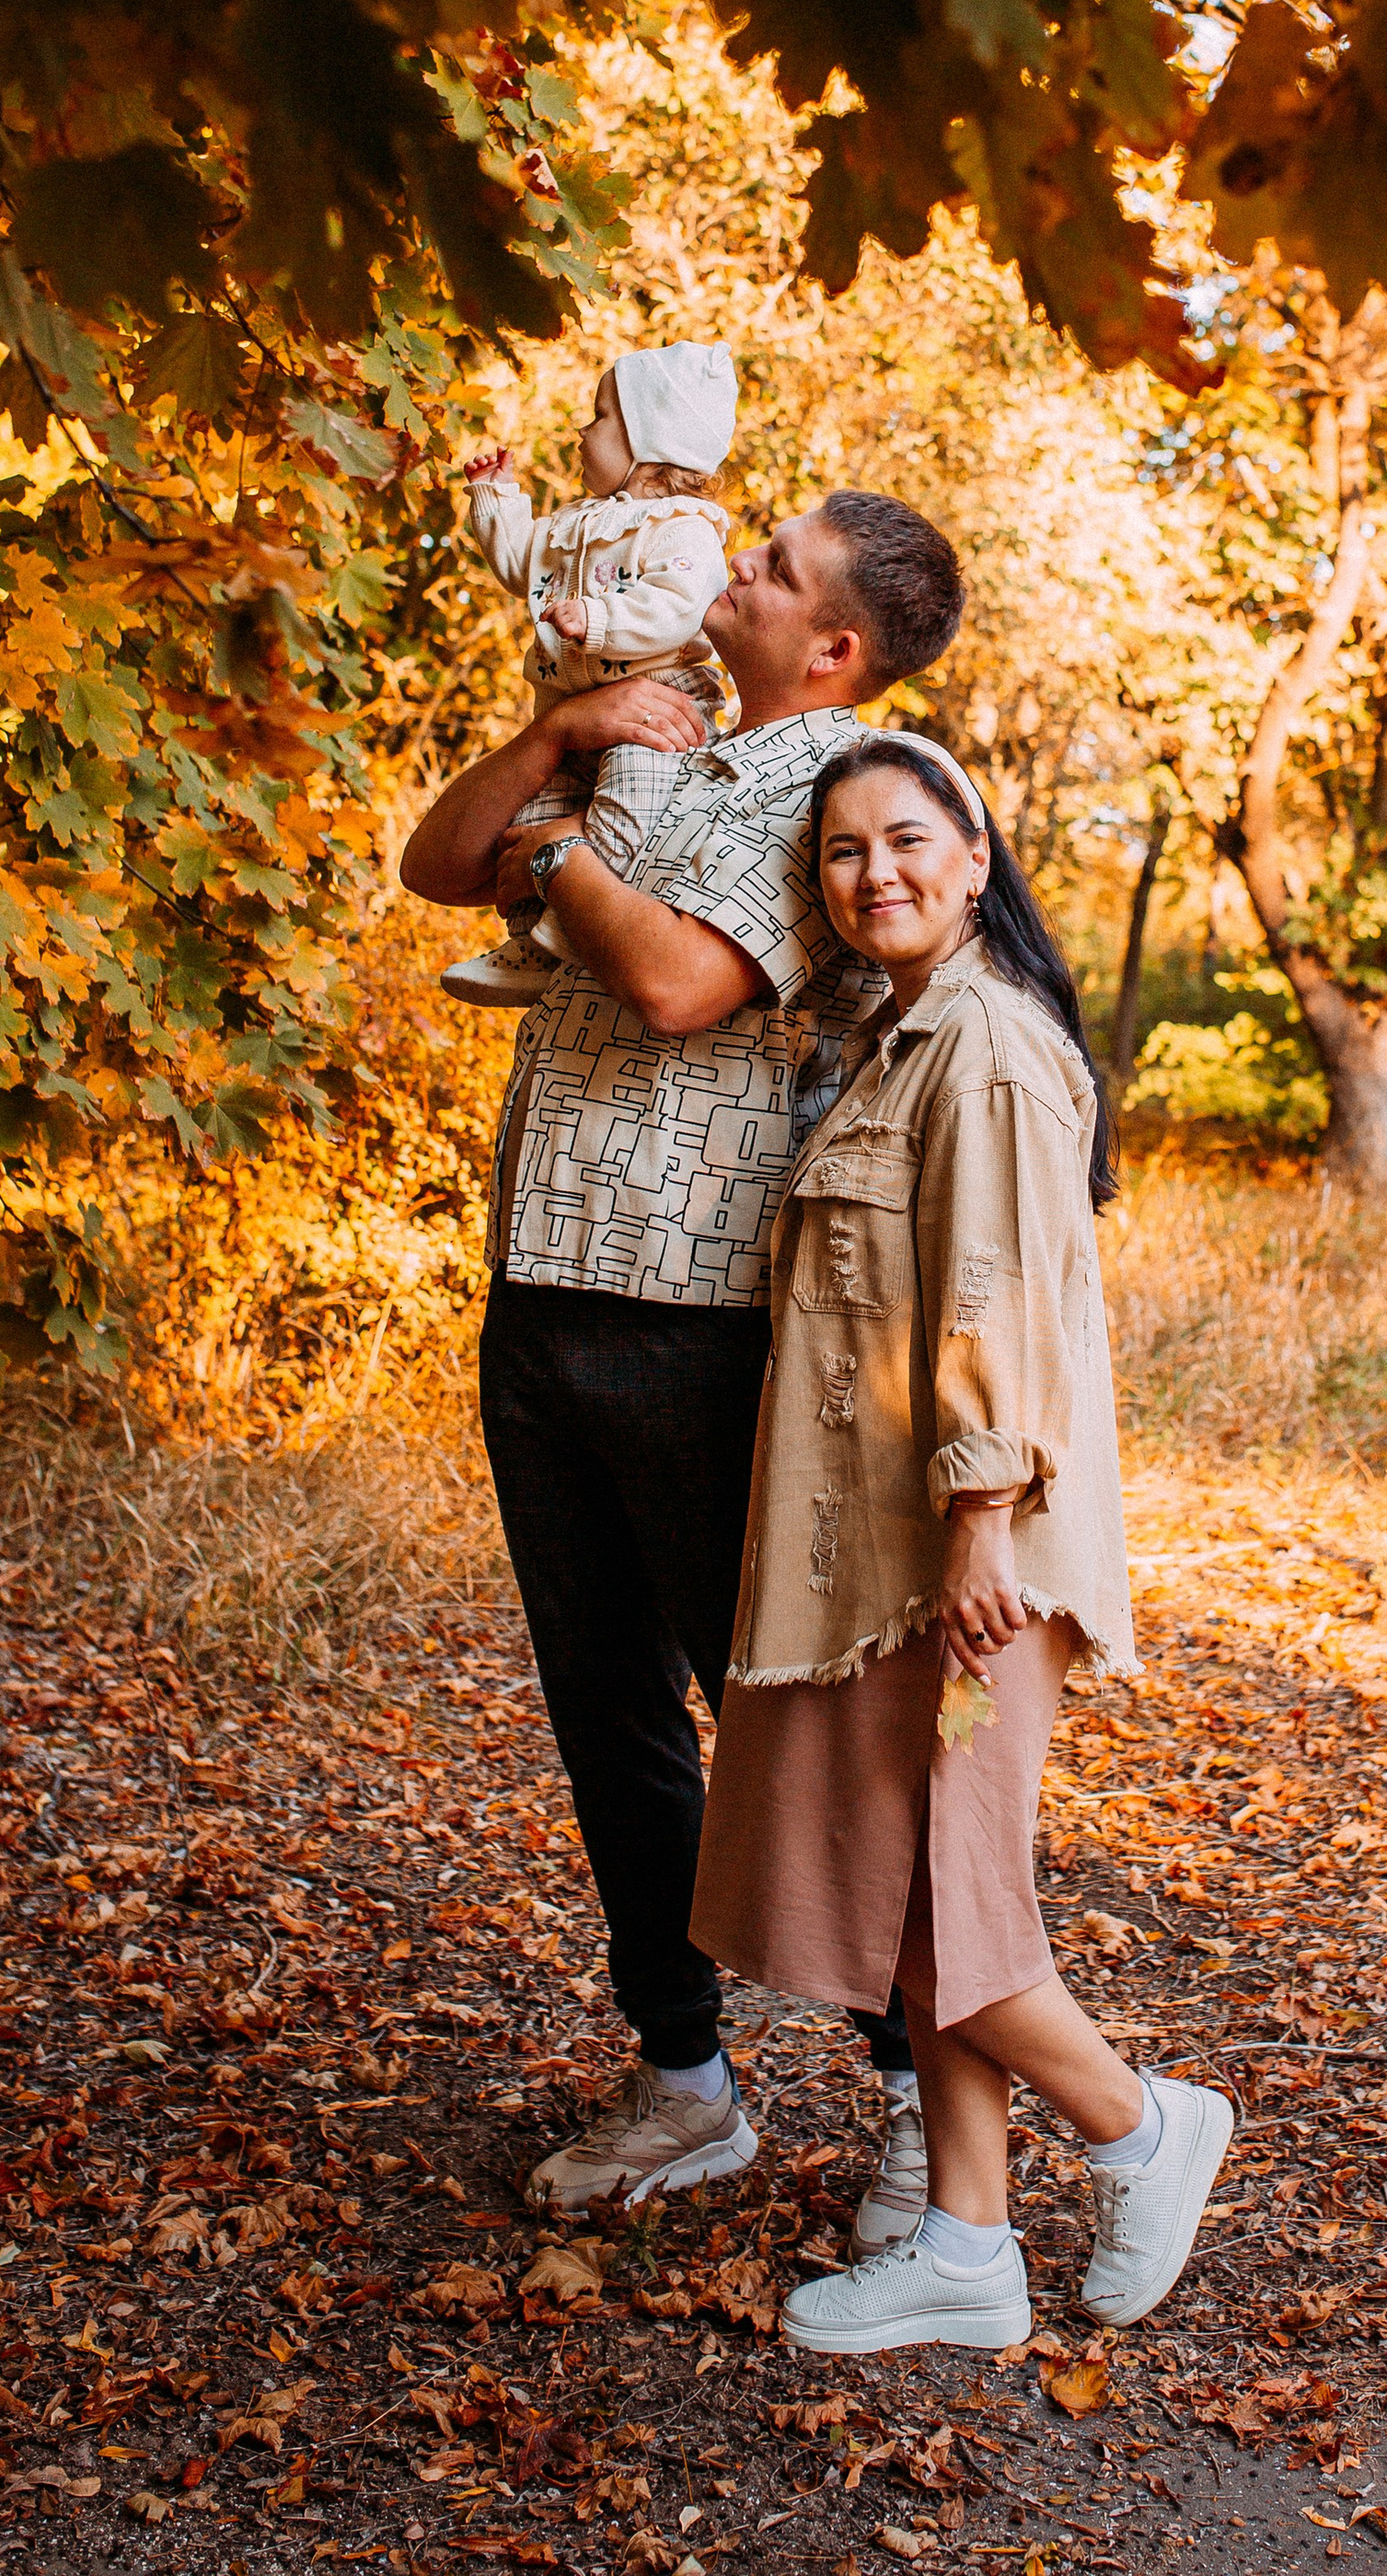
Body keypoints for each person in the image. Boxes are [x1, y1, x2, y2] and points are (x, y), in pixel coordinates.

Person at [399, 491, 967, 2237]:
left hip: (709, 1323)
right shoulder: (665, 738)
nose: (736, 572)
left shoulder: (848, 791)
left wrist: (557, 857)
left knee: (789, 1729)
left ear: (838, 645)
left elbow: (673, 985)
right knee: (609, 1718)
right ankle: (684, 2082)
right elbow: (436, 864)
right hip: (546, 1288)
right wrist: (558, 740)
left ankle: (925, 2108)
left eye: (773, 570)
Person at [690, 734, 1236, 2351]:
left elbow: (991, 1300)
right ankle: (966, 2247)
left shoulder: (985, 1048)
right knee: (927, 1909)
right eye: (845, 853)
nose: (877, 875)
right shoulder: (895, 1045)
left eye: (909, 839)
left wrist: (983, 1527)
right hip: (894, 1557)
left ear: (977, 857)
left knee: (954, 1906)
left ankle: (1143, 2129)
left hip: (966, 1556)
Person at [443, 340, 739, 1009]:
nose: (584, 429)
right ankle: (531, 945)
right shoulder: (578, 523)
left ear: (653, 445)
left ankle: (576, 918)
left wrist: (601, 620)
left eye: (601, 415)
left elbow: (677, 606)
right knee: (533, 814)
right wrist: (494, 498)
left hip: (656, 710)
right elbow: (523, 567)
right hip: (575, 716)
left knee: (631, 804)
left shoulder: (684, 529)